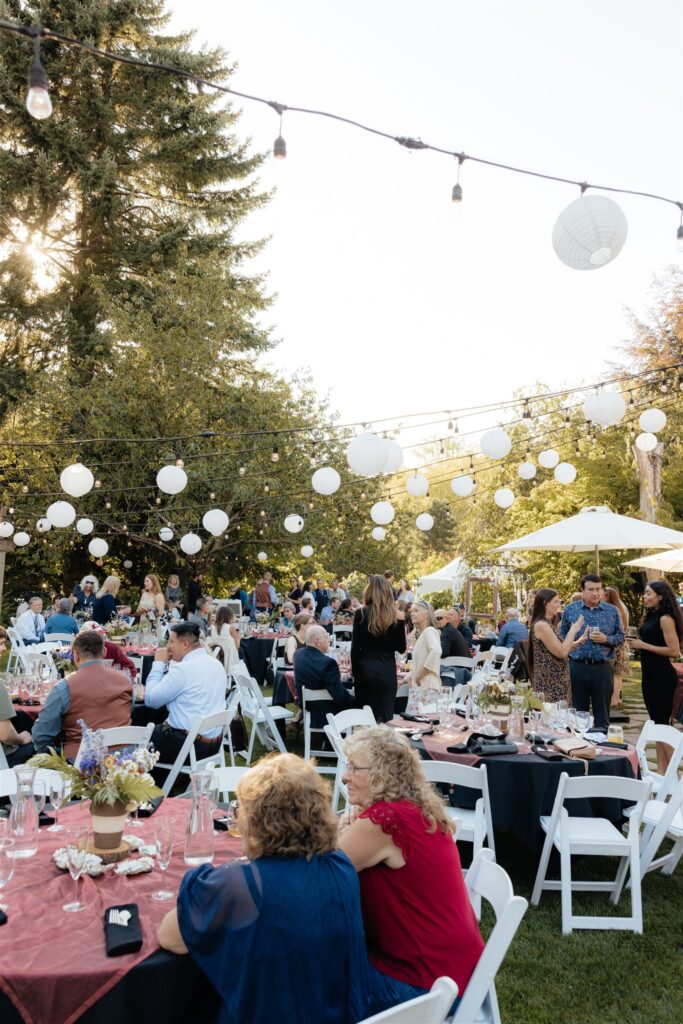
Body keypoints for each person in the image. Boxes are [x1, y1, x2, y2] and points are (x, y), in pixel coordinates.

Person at [158, 753, 370, 1024]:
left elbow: (170, 937)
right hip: (338, 1012)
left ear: (258, 818)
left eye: (241, 810)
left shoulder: (243, 884)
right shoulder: (339, 865)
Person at [338, 725, 484, 1016]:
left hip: (426, 983)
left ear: (382, 774)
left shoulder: (385, 819)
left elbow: (318, 873)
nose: (344, 776)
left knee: (310, 977)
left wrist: (347, 826)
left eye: (354, 767)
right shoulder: (412, 808)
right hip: (458, 970)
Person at [31, 630, 132, 759]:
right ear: (104, 652)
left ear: (75, 655)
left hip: (80, 764)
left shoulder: (64, 687)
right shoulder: (125, 681)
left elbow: (41, 734)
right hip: (124, 761)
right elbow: (129, 710)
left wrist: (49, 757)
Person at [145, 621, 227, 764]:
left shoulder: (183, 670)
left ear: (185, 644)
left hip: (187, 746)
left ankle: (152, 781)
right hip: (213, 744)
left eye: (171, 641)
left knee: (141, 733)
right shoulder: (216, 663)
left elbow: (151, 700)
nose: (168, 646)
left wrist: (158, 664)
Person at [627, 580, 683, 773]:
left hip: (662, 677)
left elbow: (674, 650)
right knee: (659, 726)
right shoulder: (652, 615)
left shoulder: (665, 618)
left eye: (648, 593)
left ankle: (674, 779)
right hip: (650, 676)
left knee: (662, 726)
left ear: (660, 596)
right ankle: (662, 774)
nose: (644, 596)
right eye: (644, 593)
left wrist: (643, 646)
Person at [560, 574, 624, 730]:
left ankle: (603, 750)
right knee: (577, 715)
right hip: (577, 666)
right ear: (582, 590)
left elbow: (621, 637)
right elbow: (562, 636)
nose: (595, 593)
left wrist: (606, 639)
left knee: (602, 717)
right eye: (591, 590)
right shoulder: (570, 610)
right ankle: (579, 750)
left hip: (602, 668)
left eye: (598, 589)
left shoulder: (612, 611)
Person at [349, 577, 406, 722]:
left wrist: (354, 673)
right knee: (385, 718)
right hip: (387, 671)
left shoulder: (360, 614)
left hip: (364, 671)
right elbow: (401, 648)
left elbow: (355, 648)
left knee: (364, 718)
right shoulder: (397, 616)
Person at [528, 589, 588, 703]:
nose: (559, 605)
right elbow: (561, 652)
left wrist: (578, 642)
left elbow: (558, 647)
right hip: (549, 682)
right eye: (556, 602)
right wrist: (573, 631)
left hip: (555, 680)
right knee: (552, 717)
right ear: (545, 603)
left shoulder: (547, 623)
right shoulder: (541, 625)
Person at [293, 626, 354, 726]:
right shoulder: (328, 663)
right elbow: (340, 697)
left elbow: (314, 672)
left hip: (307, 706)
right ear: (317, 641)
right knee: (363, 704)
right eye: (326, 637)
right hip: (327, 712)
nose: (329, 640)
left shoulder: (298, 654)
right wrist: (358, 700)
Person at [0, 628, 35, 765]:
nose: (3, 649)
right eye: (1, 644)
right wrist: (21, 738)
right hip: (5, 759)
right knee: (48, 749)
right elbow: (6, 736)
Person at [603, 586, 630, 706]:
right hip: (622, 644)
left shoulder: (612, 609)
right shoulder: (622, 608)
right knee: (617, 674)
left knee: (614, 673)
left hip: (615, 644)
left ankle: (613, 700)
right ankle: (616, 699)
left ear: (608, 596)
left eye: (603, 594)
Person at [408, 602, 442, 692]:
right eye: (411, 611)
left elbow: (436, 651)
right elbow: (417, 665)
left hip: (428, 688)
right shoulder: (424, 633)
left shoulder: (429, 631)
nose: (411, 613)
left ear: (426, 614)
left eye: (416, 610)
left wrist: (421, 673)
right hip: (422, 688)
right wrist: (403, 681)